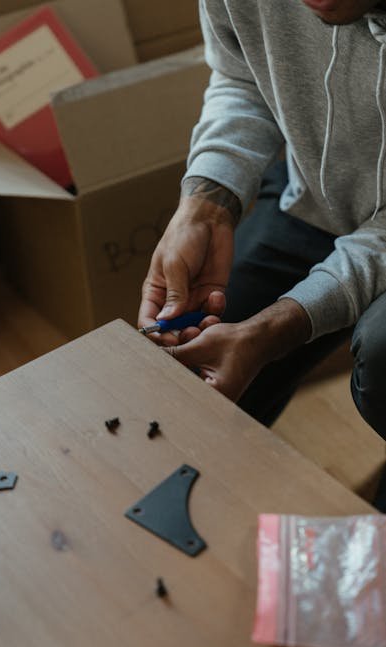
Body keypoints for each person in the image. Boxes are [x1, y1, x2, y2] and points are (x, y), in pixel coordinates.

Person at [138, 0, 386, 442]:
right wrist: (205, 204)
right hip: (312, 195)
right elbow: (243, 74)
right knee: (183, 385)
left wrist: (275, 329)